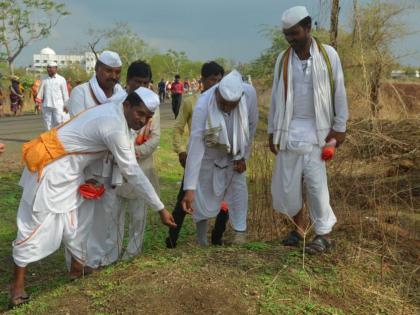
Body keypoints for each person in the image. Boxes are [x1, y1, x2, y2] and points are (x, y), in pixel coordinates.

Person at [9, 86, 176, 307]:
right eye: (140, 114)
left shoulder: (115, 110)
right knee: (35, 227)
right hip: (52, 171)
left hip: (69, 174)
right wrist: (161, 209)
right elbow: (132, 171)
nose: (143, 121)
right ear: (127, 105)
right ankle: (17, 287)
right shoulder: (113, 125)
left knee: (74, 224)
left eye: (148, 117)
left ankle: (78, 271)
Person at [268, 6, 348, 254]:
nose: (291, 39)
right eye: (287, 35)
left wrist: (339, 128)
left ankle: (323, 235)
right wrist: (272, 131)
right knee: (289, 185)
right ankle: (299, 230)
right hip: (289, 131)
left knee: (315, 184)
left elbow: (339, 93)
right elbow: (275, 97)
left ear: (308, 28)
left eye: (294, 33)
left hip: (318, 132)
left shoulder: (328, 55)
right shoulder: (283, 59)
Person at [182, 70, 259, 246]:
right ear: (216, 93)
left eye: (232, 104)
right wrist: (190, 188)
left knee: (239, 192)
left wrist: (243, 156)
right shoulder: (203, 104)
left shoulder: (249, 94)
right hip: (210, 155)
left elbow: (252, 126)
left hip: (236, 153)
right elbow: (195, 146)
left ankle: (239, 234)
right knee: (201, 195)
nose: (227, 108)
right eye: (223, 104)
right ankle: (201, 240)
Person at [65, 50, 124, 269]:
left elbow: (125, 129)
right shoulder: (81, 93)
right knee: (82, 217)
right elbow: (81, 129)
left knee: (105, 216)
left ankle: (95, 262)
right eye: (108, 70)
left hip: (111, 165)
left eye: (117, 72)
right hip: (87, 167)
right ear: (97, 69)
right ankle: (77, 263)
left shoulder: (122, 96)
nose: (113, 76)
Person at [166, 61, 229, 248]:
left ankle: (217, 240)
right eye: (212, 80)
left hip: (219, 161)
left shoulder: (226, 104)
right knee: (184, 200)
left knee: (222, 200)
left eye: (219, 80)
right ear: (202, 80)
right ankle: (171, 240)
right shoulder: (191, 102)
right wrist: (181, 151)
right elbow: (177, 129)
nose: (215, 84)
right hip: (196, 160)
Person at [112, 60, 161, 259]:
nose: (141, 87)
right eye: (137, 82)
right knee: (115, 215)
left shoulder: (153, 104)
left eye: (145, 82)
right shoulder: (118, 102)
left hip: (142, 164)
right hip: (117, 168)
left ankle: (132, 253)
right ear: (128, 81)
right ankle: (111, 253)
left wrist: (136, 152)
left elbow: (156, 137)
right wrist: (124, 154)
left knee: (138, 215)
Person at [36, 62, 69, 130]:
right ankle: (49, 139)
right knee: (47, 124)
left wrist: (66, 105)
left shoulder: (61, 79)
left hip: (58, 105)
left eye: (51, 68)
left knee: (59, 122)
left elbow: (65, 93)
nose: (49, 69)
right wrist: (37, 103)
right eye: (48, 68)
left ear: (56, 69)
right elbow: (40, 92)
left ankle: (58, 138)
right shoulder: (44, 80)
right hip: (46, 105)